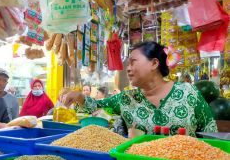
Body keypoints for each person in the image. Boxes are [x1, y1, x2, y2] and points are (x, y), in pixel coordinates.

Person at [63, 41, 218, 136]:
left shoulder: (187, 92)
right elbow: (97, 105)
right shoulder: (126, 98)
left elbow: (210, 132)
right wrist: (78, 96)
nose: (128, 69)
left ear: (154, 63)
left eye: (133, 62)